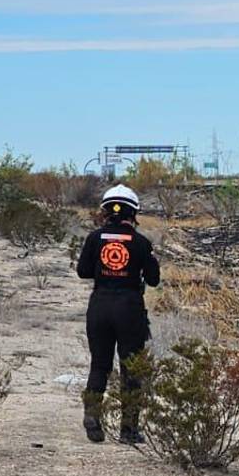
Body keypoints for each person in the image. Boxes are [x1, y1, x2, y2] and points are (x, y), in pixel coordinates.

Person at [76, 184, 160, 443]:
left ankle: (93, 415)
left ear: (105, 211)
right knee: (131, 368)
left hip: (99, 306)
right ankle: (129, 429)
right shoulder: (141, 242)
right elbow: (154, 279)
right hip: (129, 308)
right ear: (133, 213)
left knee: (99, 364)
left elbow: (83, 271)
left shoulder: (94, 238)